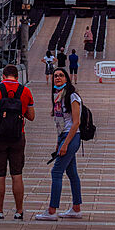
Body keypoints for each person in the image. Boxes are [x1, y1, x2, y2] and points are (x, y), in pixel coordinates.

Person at [0, 64, 35, 221]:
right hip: (18, 136)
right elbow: (31, 116)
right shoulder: (25, 91)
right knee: (17, 174)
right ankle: (19, 211)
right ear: (17, 77)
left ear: (3, 76)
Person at [35, 68, 83, 221]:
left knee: (56, 172)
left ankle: (51, 211)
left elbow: (76, 123)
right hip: (64, 137)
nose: (58, 78)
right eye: (55, 76)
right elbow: (59, 123)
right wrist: (58, 143)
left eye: (61, 75)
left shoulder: (72, 96)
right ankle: (76, 208)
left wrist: (65, 144)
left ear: (67, 79)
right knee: (72, 173)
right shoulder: (57, 97)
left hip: (72, 137)